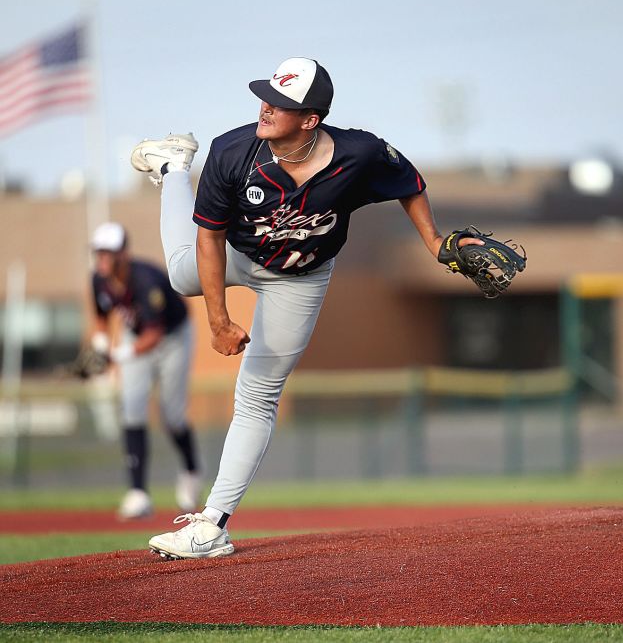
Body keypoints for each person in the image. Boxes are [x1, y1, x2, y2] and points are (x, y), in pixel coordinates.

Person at [131, 57, 480, 559]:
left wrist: (435, 241)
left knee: (257, 395)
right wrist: (219, 320)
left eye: (281, 103)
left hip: (302, 278)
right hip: (237, 252)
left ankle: (211, 525)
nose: (266, 107)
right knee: (183, 273)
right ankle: (173, 166)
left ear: (310, 120)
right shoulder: (233, 152)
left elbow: (410, 182)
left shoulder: (359, 152)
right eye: (266, 95)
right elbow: (208, 240)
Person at [88, 222, 202, 519]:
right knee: (132, 408)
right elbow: (101, 316)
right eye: (98, 252)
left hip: (172, 338)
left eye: (107, 253)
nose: (101, 259)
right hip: (135, 335)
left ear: (123, 253)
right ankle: (138, 493)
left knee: (172, 415)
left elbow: (155, 334)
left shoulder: (145, 280)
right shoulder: (98, 280)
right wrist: (101, 346)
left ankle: (191, 471)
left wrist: (117, 355)